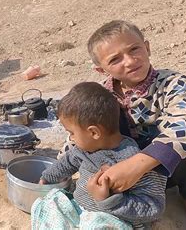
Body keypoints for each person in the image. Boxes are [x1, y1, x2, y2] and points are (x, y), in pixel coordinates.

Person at [68, 20, 186, 228]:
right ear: (101, 70)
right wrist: (62, 166)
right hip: (124, 175)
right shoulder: (101, 96)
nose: (130, 61)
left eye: (134, 49)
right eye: (115, 59)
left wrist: (135, 166)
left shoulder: (171, 82)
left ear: (147, 47)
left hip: (168, 167)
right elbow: (79, 134)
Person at [39, 82, 167, 228]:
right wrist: (47, 177)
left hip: (112, 220)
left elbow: (153, 207)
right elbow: (67, 162)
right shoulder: (85, 149)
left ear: (94, 132)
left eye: (72, 133)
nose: (71, 139)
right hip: (80, 211)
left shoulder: (132, 161)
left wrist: (107, 200)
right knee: (48, 203)